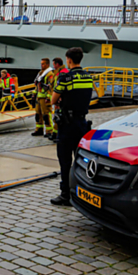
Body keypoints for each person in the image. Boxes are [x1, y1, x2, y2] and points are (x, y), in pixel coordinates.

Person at [50, 48, 93, 206]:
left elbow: (54, 100)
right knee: (81, 159)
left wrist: (62, 99)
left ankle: (65, 194)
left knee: (65, 160)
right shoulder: (88, 77)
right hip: (82, 123)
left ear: (68, 60)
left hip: (67, 124)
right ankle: (82, 192)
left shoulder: (65, 77)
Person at [48, 57, 70, 142]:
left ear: (57, 64)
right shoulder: (59, 72)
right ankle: (55, 134)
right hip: (57, 98)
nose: (53, 66)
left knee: (59, 118)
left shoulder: (63, 73)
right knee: (56, 117)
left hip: (59, 100)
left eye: (53, 64)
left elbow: (61, 87)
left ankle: (58, 135)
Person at [31, 58, 54, 137]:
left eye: (43, 64)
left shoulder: (50, 74)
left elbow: (50, 87)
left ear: (47, 64)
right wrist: (34, 94)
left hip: (44, 98)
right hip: (38, 97)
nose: (41, 65)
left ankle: (49, 131)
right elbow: (37, 85)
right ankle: (39, 129)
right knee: (38, 114)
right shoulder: (40, 73)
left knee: (46, 114)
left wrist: (48, 97)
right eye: (41, 64)